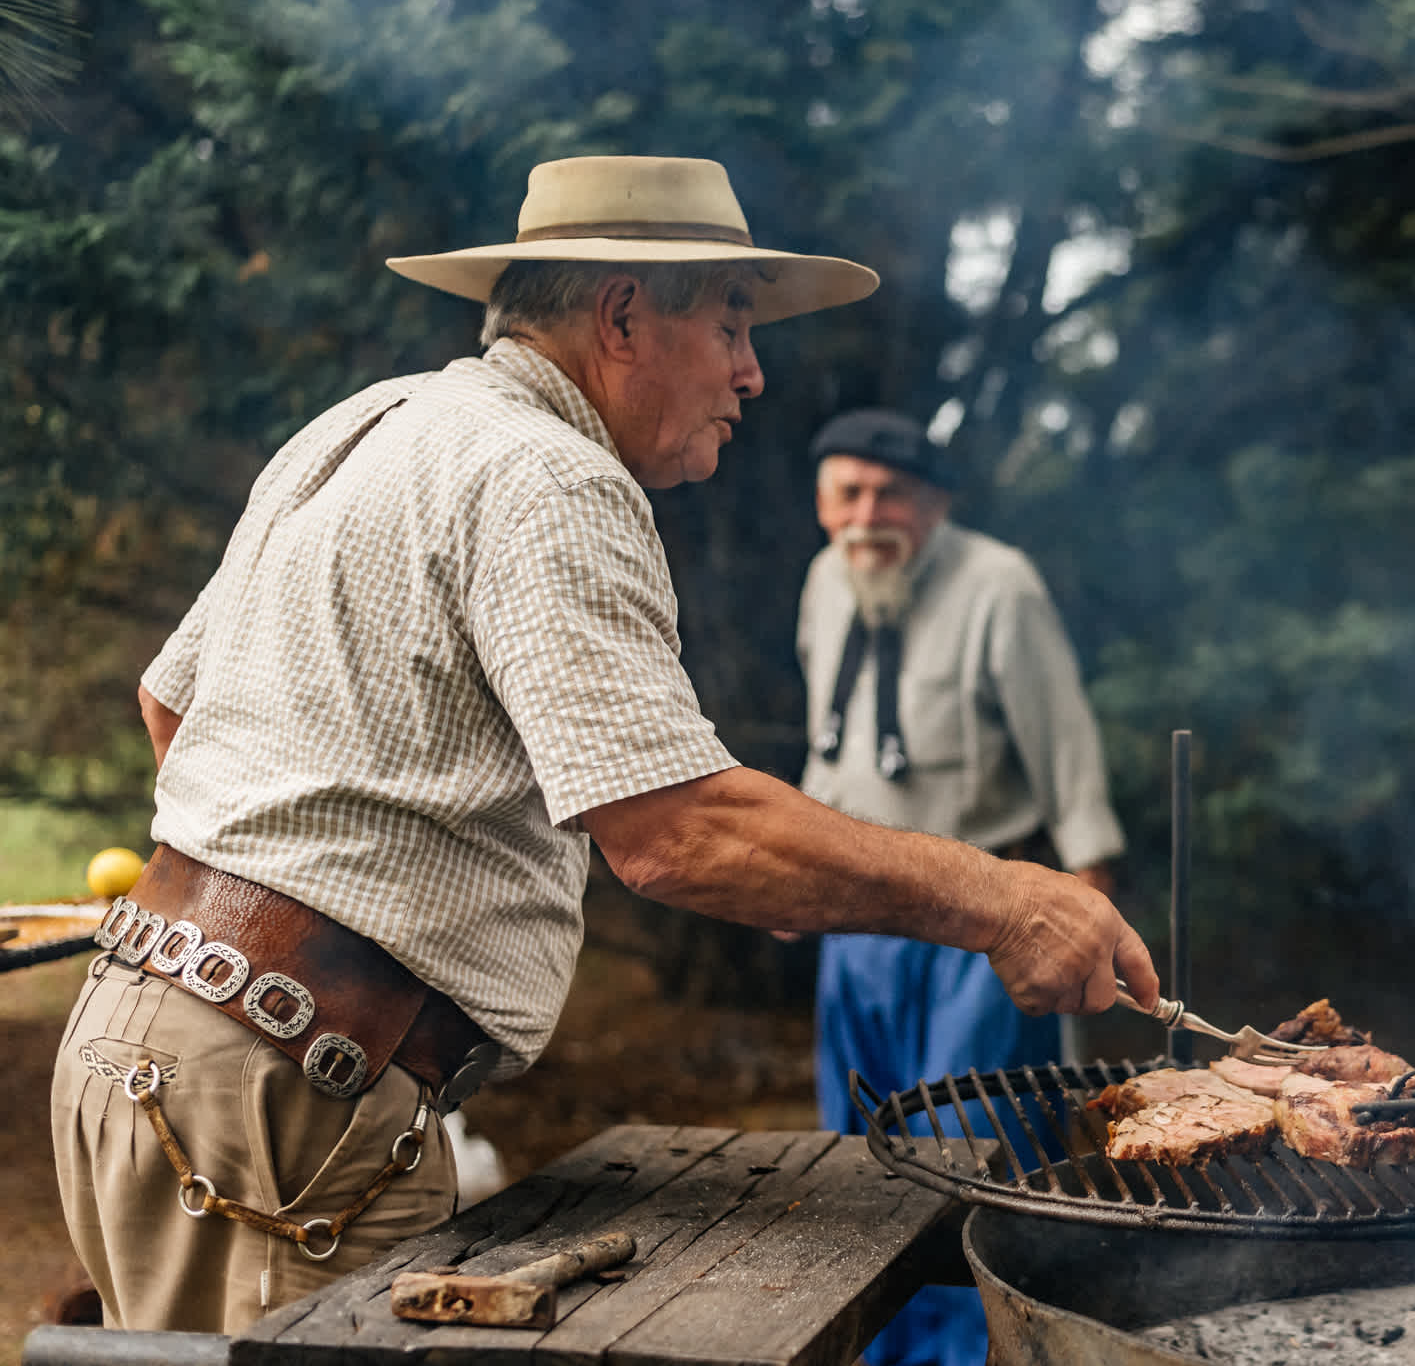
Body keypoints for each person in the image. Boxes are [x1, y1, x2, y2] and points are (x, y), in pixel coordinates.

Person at [49, 155, 1157, 1336]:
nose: (753, 371)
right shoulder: (549, 474)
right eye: (732, 324)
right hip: (283, 1088)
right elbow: (674, 831)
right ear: (623, 314)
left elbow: (172, 702)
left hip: (148, 1040)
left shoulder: (366, 422)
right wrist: (1004, 899)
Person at [795, 408, 1126, 1366]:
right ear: (822, 501)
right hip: (855, 920)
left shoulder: (998, 585)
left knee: (968, 1160)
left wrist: (1088, 889)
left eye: (892, 492)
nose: (869, 513)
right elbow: (833, 742)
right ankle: (875, 1349)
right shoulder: (826, 580)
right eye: (848, 491)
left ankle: (972, 1354)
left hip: (983, 923)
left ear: (936, 503)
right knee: (854, 1155)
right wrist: (797, 882)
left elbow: (1067, 750)